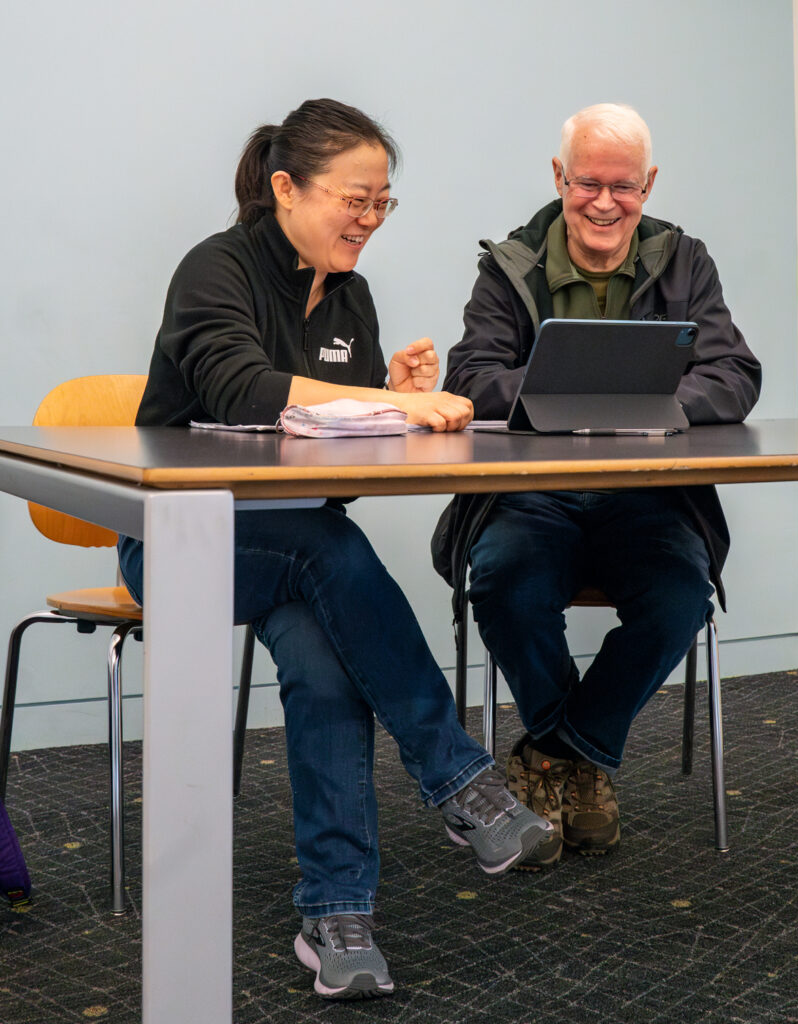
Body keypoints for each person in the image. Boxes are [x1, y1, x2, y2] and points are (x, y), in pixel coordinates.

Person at [117, 99, 551, 1000]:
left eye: (382, 203)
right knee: (328, 550)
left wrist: (382, 397)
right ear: (285, 188)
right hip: (176, 546)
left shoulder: (349, 298)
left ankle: (336, 917)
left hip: (288, 552)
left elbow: (336, 473)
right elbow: (242, 389)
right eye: (354, 198)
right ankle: (461, 784)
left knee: (322, 651)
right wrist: (390, 408)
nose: (369, 220)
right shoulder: (215, 269)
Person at [433, 103, 761, 870]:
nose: (604, 202)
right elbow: (469, 377)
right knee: (506, 584)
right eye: (587, 183)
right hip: (532, 496)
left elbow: (735, 372)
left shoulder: (684, 260)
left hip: (645, 497)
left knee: (681, 595)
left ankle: (555, 757)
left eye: (623, 186)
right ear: (559, 177)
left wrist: (663, 404)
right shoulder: (508, 262)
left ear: (647, 184)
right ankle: (582, 762)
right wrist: (560, 392)